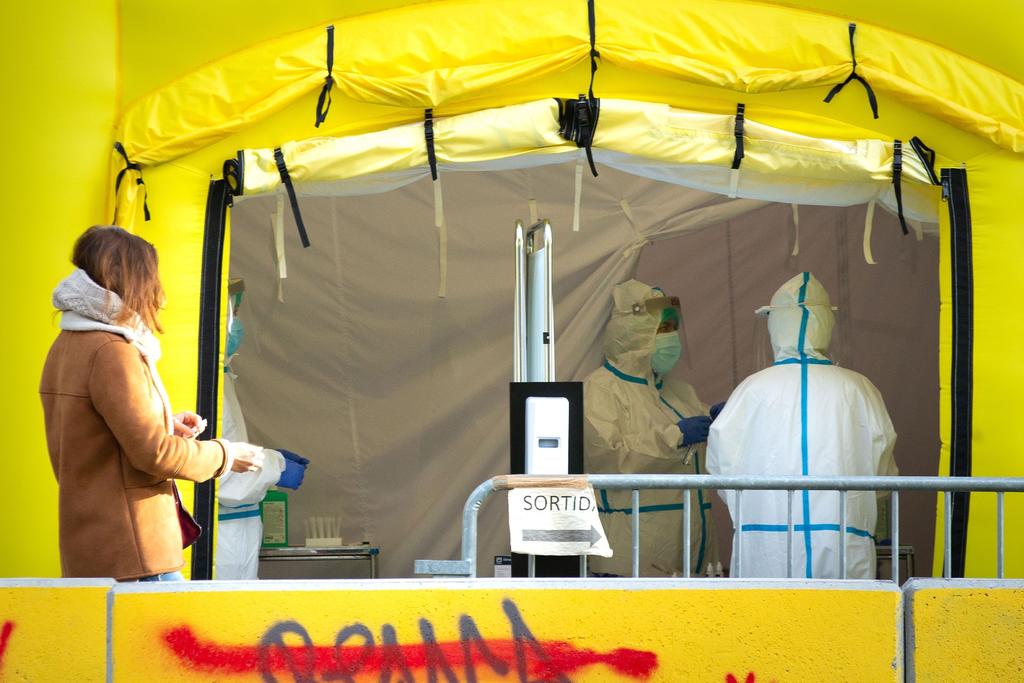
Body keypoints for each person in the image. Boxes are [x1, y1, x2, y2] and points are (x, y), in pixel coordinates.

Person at [39, 225, 264, 582]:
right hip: (136, 552)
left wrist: (161, 420)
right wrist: (225, 455)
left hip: (92, 547)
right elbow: (154, 454)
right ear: (133, 280)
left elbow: (91, 434)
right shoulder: (112, 351)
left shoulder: (66, 345)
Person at [706, 272, 898, 579]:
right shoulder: (859, 389)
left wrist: (754, 504)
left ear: (775, 324)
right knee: (842, 608)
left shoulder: (751, 390)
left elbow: (722, 471)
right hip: (843, 540)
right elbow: (883, 472)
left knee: (769, 610)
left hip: (766, 544)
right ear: (827, 324)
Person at [583, 279, 719, 577]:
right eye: (663, 329)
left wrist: (725, 420)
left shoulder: (678, 391)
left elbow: (703, 433)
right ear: (635, 332)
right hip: (632, 552)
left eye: (673, 329)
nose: (672, 340)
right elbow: (609, 460)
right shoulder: (601, 389)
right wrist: (675, 436)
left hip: (690, 545)